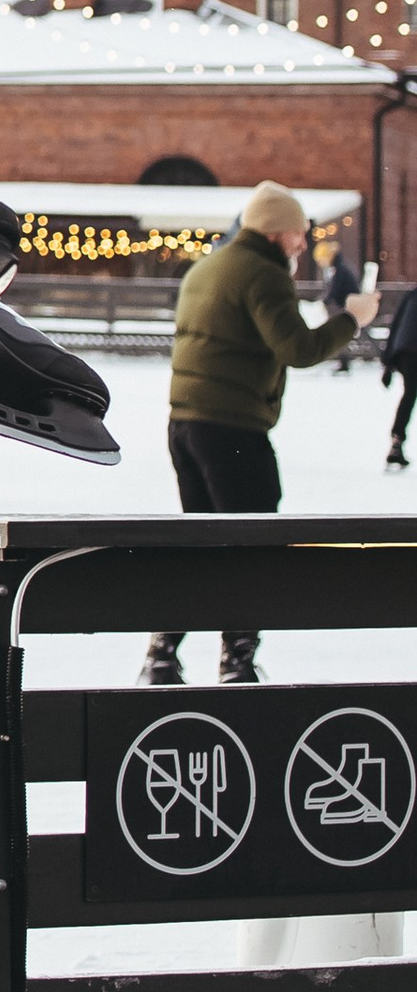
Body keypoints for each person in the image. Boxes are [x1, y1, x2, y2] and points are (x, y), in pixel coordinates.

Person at [142, 183, 378, 685]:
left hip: (185, 425)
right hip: (232, 428)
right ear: (275, 231)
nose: (302, 242)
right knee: (254, 541)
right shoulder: (263, 274)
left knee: (201, 540)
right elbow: (299, 348)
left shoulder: (210, 265)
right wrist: (351, 319)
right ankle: (237, 660)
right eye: (297, 232)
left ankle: (162, 651)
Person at [388, 284, 417, 471]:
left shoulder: (411, 295)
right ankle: (397, 443)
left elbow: (396, 326)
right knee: (409, 396)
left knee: (409, 396)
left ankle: (396, 442)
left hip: (405, 354)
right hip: (410, 352)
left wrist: (388, 362)